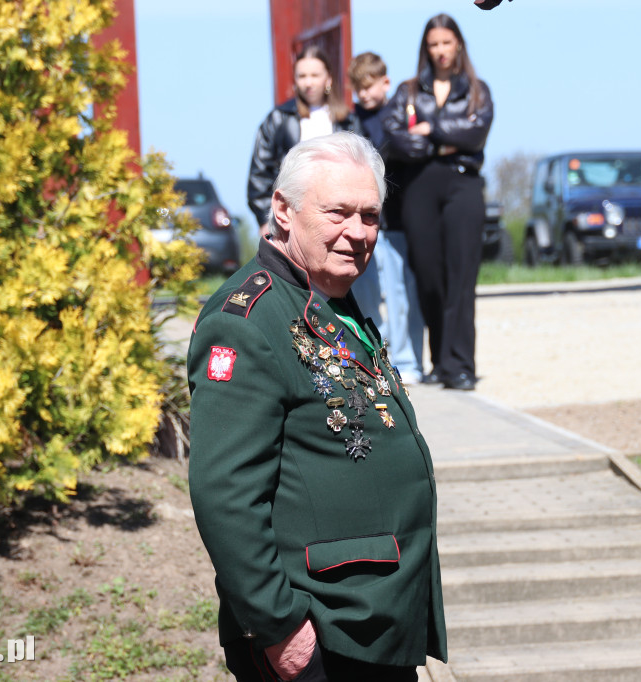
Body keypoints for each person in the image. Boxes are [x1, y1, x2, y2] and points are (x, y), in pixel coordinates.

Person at [188, 132, 447, 682]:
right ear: (283, 210)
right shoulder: (247, 322)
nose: (357, 233)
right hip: (319, 628)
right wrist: (279, 626)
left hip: (370, 619)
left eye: (370, 216)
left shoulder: (330, 300)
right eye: (338, 213)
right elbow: (225, 494)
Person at [381, 13, 494, 391]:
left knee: (461, 278)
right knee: (428, 276)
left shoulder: (478, 90)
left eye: (446, 42)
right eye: (434, 44)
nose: (441, 51)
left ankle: (459, 365)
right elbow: (395, 137)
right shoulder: (408, 91)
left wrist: (431, 130)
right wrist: (443, 140)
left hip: (463, 186)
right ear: (425, 49)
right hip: (419, 187)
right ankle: (440, 358)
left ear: (458, 43)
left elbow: (476, 133)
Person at [346, 51, 425, 384]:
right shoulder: (349, 119)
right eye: (358, 88)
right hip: (363, 220)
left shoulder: (401, 112)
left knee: (400, 294)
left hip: (396, 220)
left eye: (369, 86)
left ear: (385, 82)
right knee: (364, 294)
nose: (364, 94)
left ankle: (408, 362)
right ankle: (373, 358)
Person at [247, 45, 355, 237]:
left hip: (339, 216)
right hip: (292, 216)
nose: (308, 82)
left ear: (328, 78)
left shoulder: (348, 121)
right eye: (302, 76)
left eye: (315, 75)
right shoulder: (279, 118)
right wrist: (266, 219)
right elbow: (259, 174)